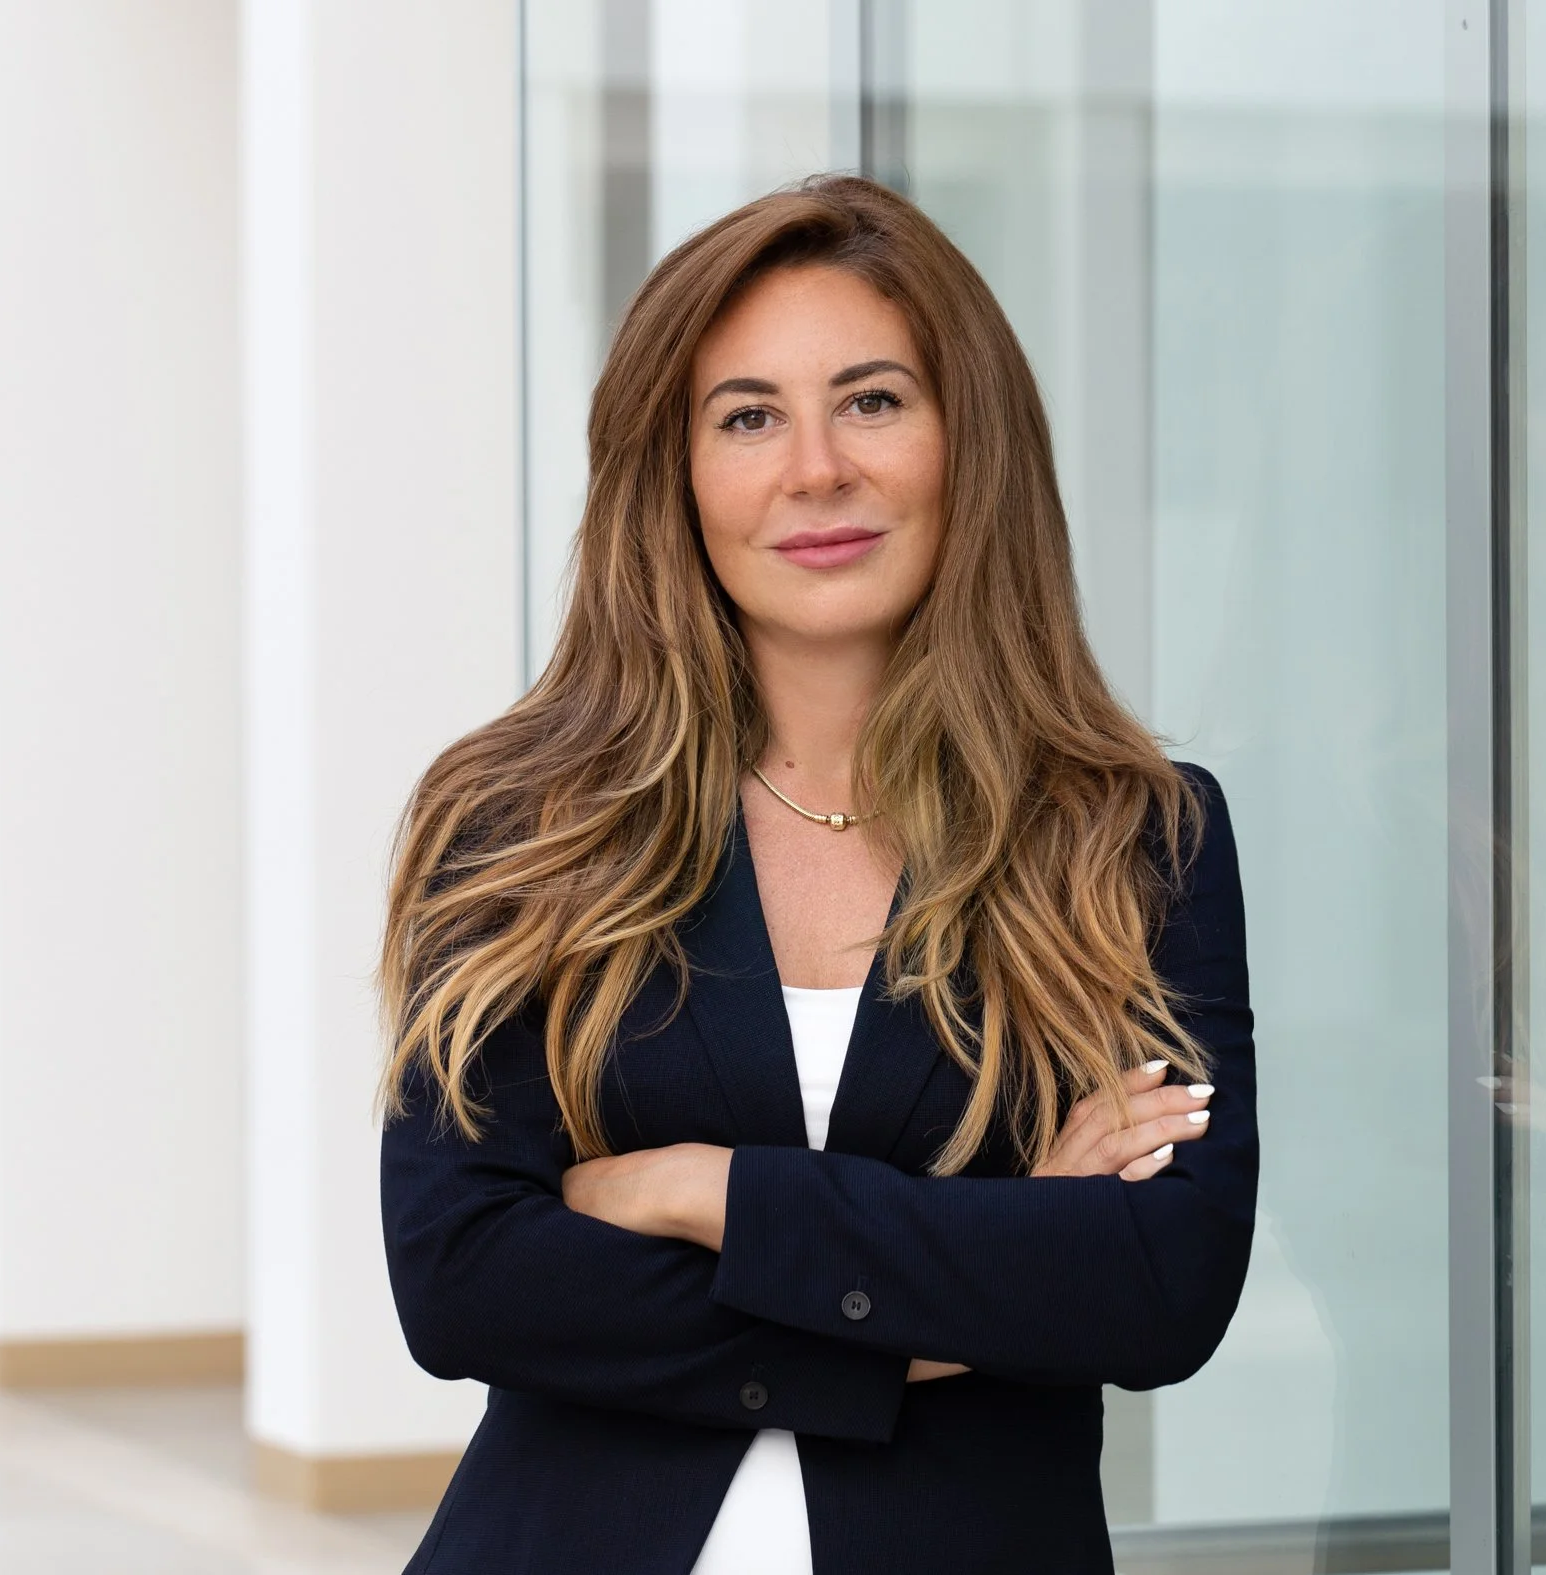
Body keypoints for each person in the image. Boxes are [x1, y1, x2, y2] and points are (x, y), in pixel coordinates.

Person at [375, 175, 1256, 1575]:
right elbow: (466, 1280)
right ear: (673, 474)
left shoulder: (1133, 839)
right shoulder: (519, 824)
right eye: (746, 417)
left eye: (871, 400)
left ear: (969, 440)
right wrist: (973, 1275)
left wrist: (700, 1188)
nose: (815, 470)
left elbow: (1157, 1287)